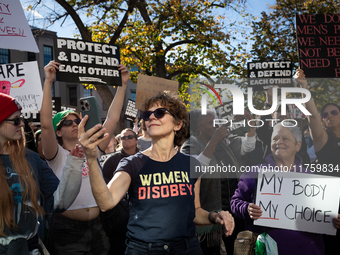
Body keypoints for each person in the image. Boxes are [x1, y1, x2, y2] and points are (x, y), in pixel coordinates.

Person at [78, 91, 235, 255]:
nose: (151, 117)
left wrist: (214, 216)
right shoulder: (131, 163)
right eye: (147, 114)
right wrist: (91, 157)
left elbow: (194, 211)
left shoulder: (192, 164)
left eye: (160, 113)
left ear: (178, 124)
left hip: (187, 248)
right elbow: (106, 202)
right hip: (144, 250)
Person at [40, 60, 129, 255]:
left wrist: (123, 86)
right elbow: (45, 124)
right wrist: (48, 82)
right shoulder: (54, 155)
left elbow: (112, 119)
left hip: (97, 228)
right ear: (58, 132)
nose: (74, 123)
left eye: (77, 120)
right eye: (67, 122)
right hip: (66, 231)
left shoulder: (93, 148)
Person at [0, 93, 83, 254]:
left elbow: (58, 203)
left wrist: (74, 166)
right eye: (16, 120)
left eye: (21, 118)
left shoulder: (31, 158)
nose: (22, 124)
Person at [231, 123, 324, 254]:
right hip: (266, 249)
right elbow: (235, 202)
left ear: (298, 145)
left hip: (306, 248)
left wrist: (331, 219)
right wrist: (247, 208)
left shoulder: (310, 176)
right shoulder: (254, 173)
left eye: (285, 138)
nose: (279, 142)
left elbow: (321, 213)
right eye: (275, 139)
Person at [181, 109, 255, 255]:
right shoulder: (191, 145)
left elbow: (249, 145)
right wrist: (214, 140)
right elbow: (195, 168)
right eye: (210, 123)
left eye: (216, 121)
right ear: (198, 127)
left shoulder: (225, 143)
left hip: (233, 212)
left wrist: (249, 122)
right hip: (210, 219)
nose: (215, 125)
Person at [295, 69, 340, 255]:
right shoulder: (323, 140)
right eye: (325, 115)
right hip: (333, 207)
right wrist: (304, 88)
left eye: (334, 112)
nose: (328, 116)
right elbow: (312, 115)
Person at [256, 86, 310, 165]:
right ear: (272, 115)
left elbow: (304, 156)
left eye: (285, 110)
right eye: (279, 111)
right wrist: (268, 102)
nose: (282, 113)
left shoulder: (298, 134)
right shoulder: (268, 133)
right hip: (271, 174)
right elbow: (260, 128)